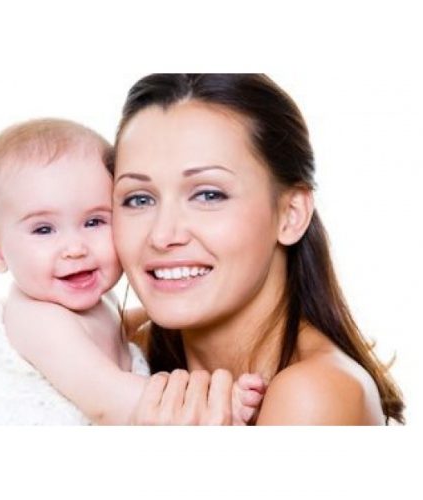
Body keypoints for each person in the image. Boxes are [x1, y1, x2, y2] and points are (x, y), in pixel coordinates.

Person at [0, 118, 263, 425]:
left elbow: (117, 324)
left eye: (94, 222)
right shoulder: (39, 319)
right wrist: (213, 404)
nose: (75, 248)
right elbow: (110, 403)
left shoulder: (97, 301)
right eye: (44, 229)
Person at [111, 74, 405, 425]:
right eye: (139, 199)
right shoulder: (127, 356)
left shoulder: (314, 392)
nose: (162, 235)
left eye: (208, 195)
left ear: (291, 214)